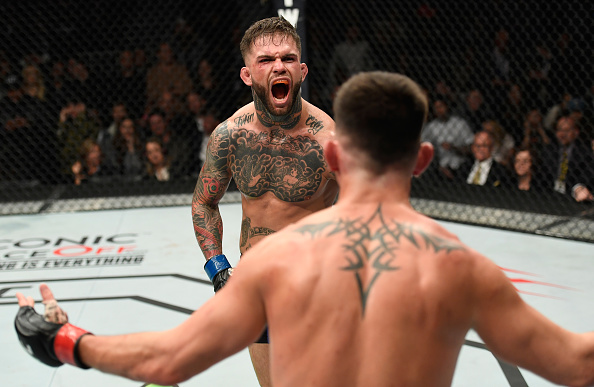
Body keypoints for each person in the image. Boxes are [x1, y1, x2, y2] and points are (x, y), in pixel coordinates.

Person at [15, 71, 594, 387]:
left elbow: (166, 362)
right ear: (421, 159)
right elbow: (576, 365)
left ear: (334, 157)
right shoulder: (461, 268)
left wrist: (63, 341)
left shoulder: (277, 259)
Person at [191, 16, 338, 386]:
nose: (278, 67)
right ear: (247, 75)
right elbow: (204, 202)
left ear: (302, 70)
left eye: (288, 59)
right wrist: (218, 267)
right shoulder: (229, 136)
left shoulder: (332, 142)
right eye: (266, 60)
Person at [541, 116, 594, 202]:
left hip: (572, 197)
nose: (562, 134)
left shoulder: (584, 152)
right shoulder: (549, 150)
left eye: (566, 130)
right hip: (548, 195)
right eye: (559, 130)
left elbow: (586, 175)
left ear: (576, 132)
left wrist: (578, 187)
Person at [421, 96, 474, 180]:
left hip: (460, 165)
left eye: (441, 106)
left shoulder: (460, 123)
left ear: (447, 107)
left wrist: (454, 148)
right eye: (436, 108)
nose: (439, 110)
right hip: (439, 167)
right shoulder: (431, 127)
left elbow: (471, 147)